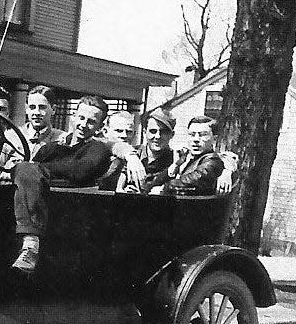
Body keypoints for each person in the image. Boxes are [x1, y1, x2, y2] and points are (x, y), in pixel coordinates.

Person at [11, 95, 118, 273]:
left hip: (69, 213)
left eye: (91, 121)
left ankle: (31, 244)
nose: (83, 125)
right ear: (73, 118)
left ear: (100, 127)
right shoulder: (51, 148)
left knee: (26, 169)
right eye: (81, 118)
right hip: (40, 206)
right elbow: (28, 171)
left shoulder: (97, 149)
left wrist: (41, 169)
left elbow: (80, 171)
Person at [148, 115, 224, 195]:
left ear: (214, 138)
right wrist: (174, 166)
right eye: (192, 134)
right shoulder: (189, 159)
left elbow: (194, 179)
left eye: (203, 135)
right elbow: (150, 184)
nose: (196, 139)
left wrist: (164, 188)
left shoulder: (212, 161)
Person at [117, 109, 176, 192]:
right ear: (145, 132)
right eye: (153, 131)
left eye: (164, 132)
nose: (158, 136)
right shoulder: (132, 154)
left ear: (172, 135)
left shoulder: (175, 160)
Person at [97, 110, 136, 190]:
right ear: (105, 132)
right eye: (119, 131)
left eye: (129, 132)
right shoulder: (93, 153)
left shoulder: (138, 157)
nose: (124, 135)